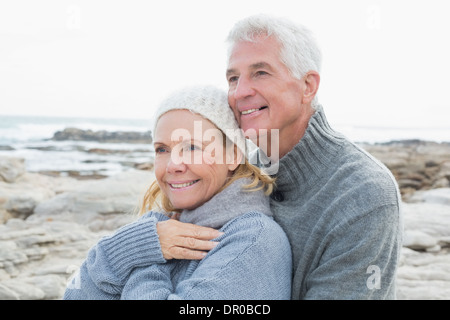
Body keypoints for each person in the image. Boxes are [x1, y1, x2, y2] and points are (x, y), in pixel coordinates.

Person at [155, 15, 403, 300]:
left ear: (308, 86)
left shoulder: (364, 193)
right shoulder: (244, 172)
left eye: (260, 73)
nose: (239, 92)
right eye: (233, 78)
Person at [63, 85, 292, 300]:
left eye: (192, 147)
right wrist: (122, 248)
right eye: (162, 149)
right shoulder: (162, 228)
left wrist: (146, 257)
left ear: (233, 154)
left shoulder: (254, 241)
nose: (173, 164)